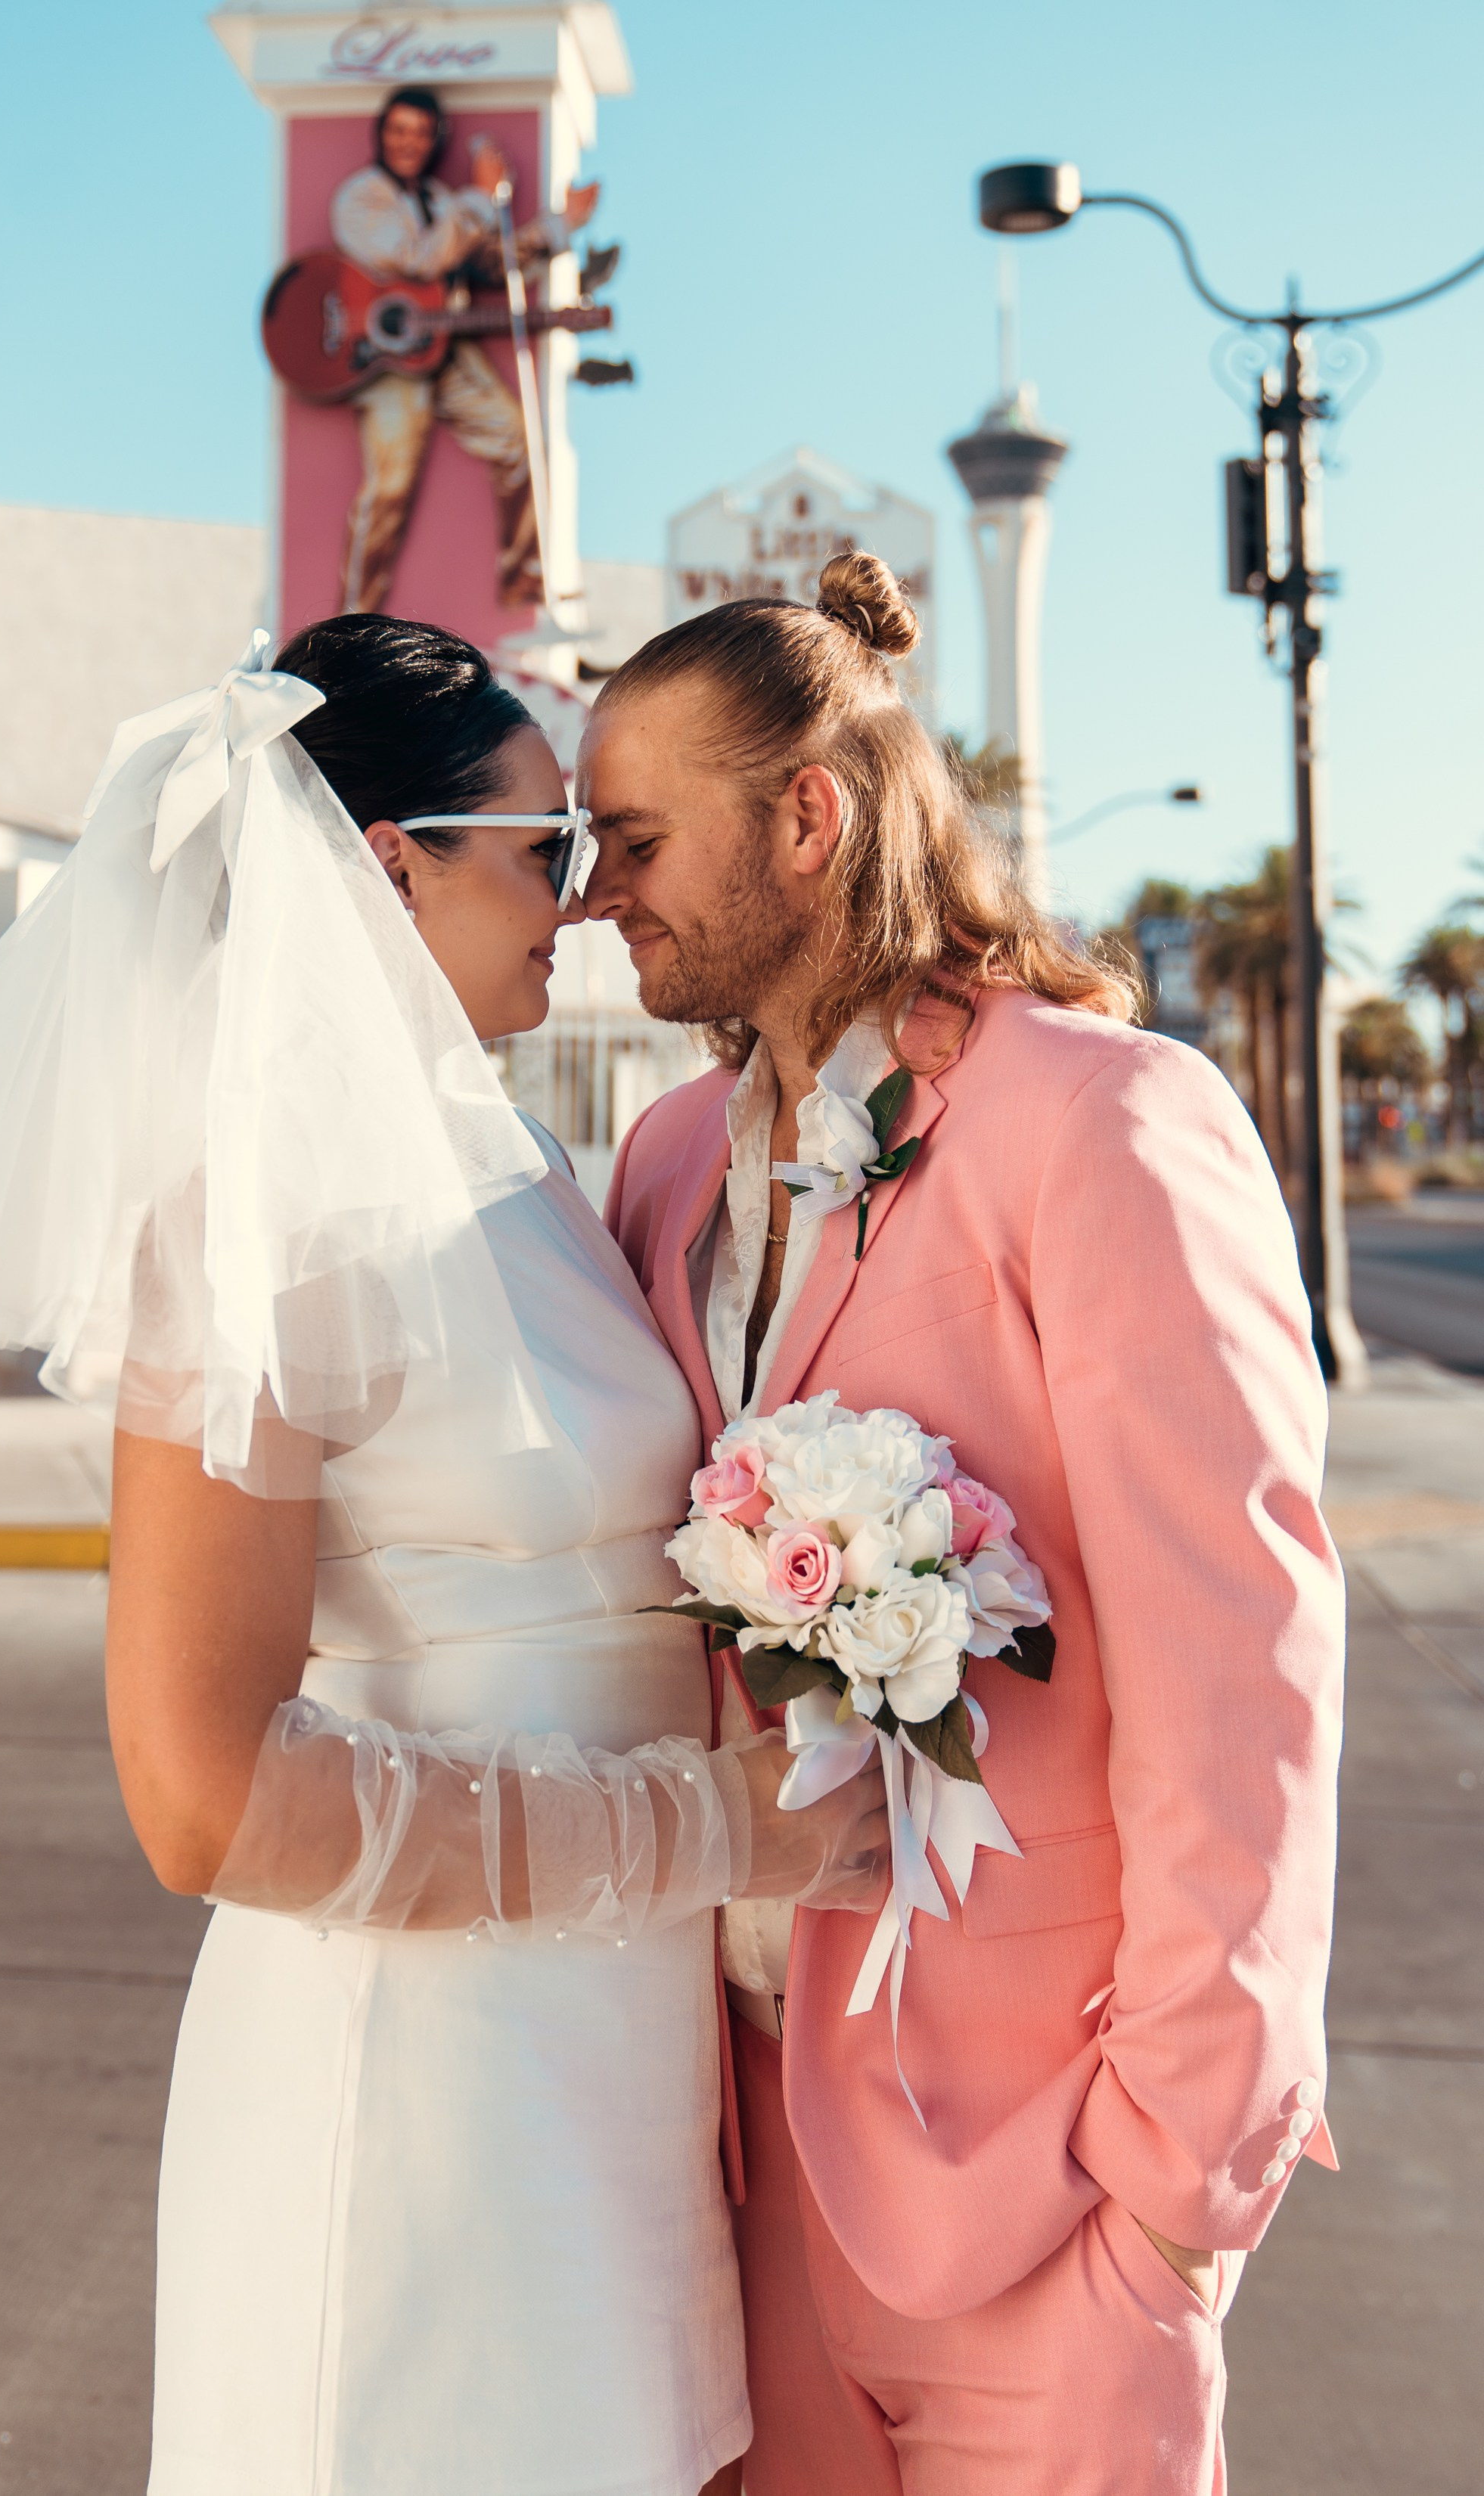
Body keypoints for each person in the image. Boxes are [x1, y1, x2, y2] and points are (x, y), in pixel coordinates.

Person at [0, 615, 891, 2496]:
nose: (578, 901)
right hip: (422, 2075)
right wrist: (718, 1830)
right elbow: (203, 1794)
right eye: (543, 848)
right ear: (390, 860)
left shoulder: (518, 1170)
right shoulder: (258, 1214)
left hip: (605, 2047)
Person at [579, 553, 1346, 2496]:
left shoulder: (1101, 1122)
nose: (598, 891)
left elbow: (1238, 1676)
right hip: (729, 2180)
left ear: (808, 821)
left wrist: (1173, 2199)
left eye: (639, 836)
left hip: (1039, 2194)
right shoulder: (662, 1164)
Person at [331, 86, 599, 615]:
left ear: (435, 140)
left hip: (441, 347)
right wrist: (478, 196)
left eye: (420, 132)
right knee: (389, 491)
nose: (408, 143)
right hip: (386, 359)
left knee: (518, 439)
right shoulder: (361, 197)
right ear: (381, 135)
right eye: (397, 130)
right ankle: (351, 624)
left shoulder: (438, 199)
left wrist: (559, 225)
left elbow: (489, 264)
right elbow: (419, 260)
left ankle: (524, 583)